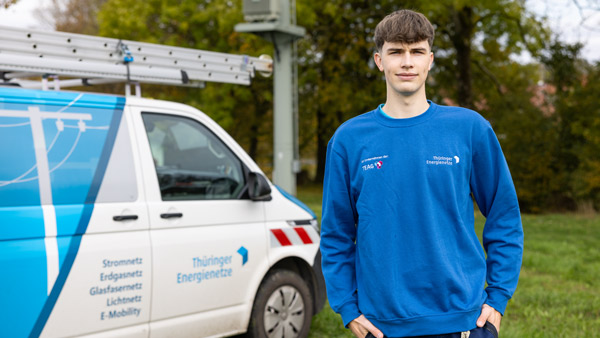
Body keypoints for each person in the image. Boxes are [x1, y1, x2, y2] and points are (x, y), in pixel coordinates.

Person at [320, 9, 523, 338]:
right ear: (379, 60)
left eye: (416, 51)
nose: (407, 62)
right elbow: (336, 233)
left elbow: (504, 214)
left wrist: (498, 296)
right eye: (396, 52)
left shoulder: (469, 129)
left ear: (430, 59)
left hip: (464, 320)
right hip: (381, 324)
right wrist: (347, 306)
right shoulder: (349, 139)